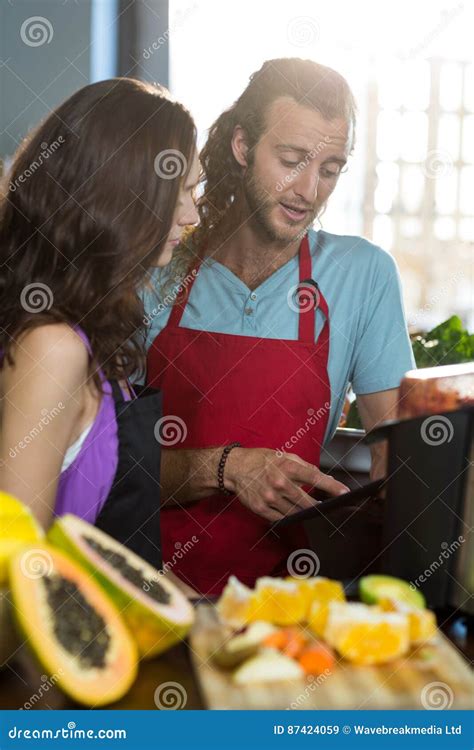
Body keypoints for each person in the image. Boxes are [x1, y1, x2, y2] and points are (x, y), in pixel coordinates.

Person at [142, 57, 416, 595]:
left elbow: (398, 459)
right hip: (147, 590)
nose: (308, 190)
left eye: (331, 169)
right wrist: (226, 467)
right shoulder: (158, 266)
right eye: (291, 160)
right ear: (243, 147)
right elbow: (103, 468)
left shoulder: (363, 275)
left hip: (285, 599)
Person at [0, 78, 199, 569]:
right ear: (124, 193)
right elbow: (15, 573)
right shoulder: (53, 348)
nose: (193, 213)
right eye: (183, 190)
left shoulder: (89, 332)